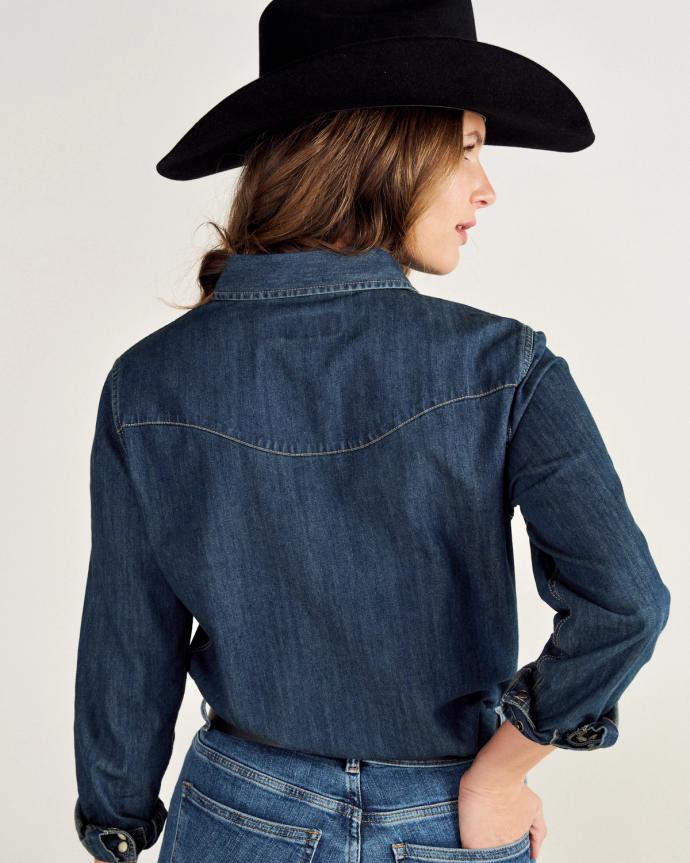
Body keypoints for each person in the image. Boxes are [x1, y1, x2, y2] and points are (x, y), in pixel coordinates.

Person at [72, 3, 671, 862]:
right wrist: (501, 773)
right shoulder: (505, 367)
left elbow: (129, 641)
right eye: (467, 145)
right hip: (445, 822)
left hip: (237, 813)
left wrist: (117, 815)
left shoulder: (147, 380)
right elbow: (627, 603)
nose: (487, 184)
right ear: (385, 146)